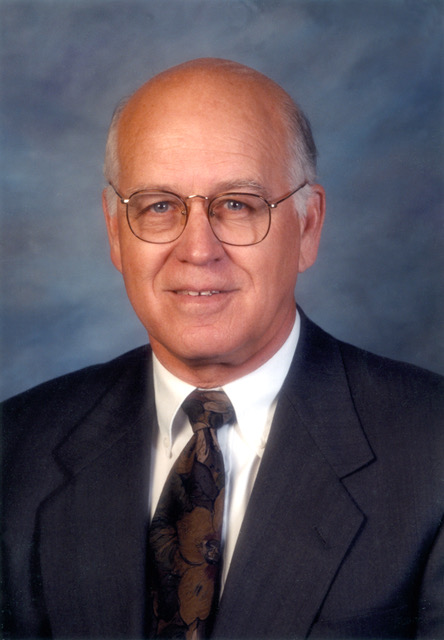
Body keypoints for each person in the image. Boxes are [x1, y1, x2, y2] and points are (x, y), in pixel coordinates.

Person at [2, 58, 443, 640]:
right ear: (115, 232)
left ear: (308, 226)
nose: (198, 250)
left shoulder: (431, 453)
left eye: (237, 204)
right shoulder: (15, 451)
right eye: (159, 206)